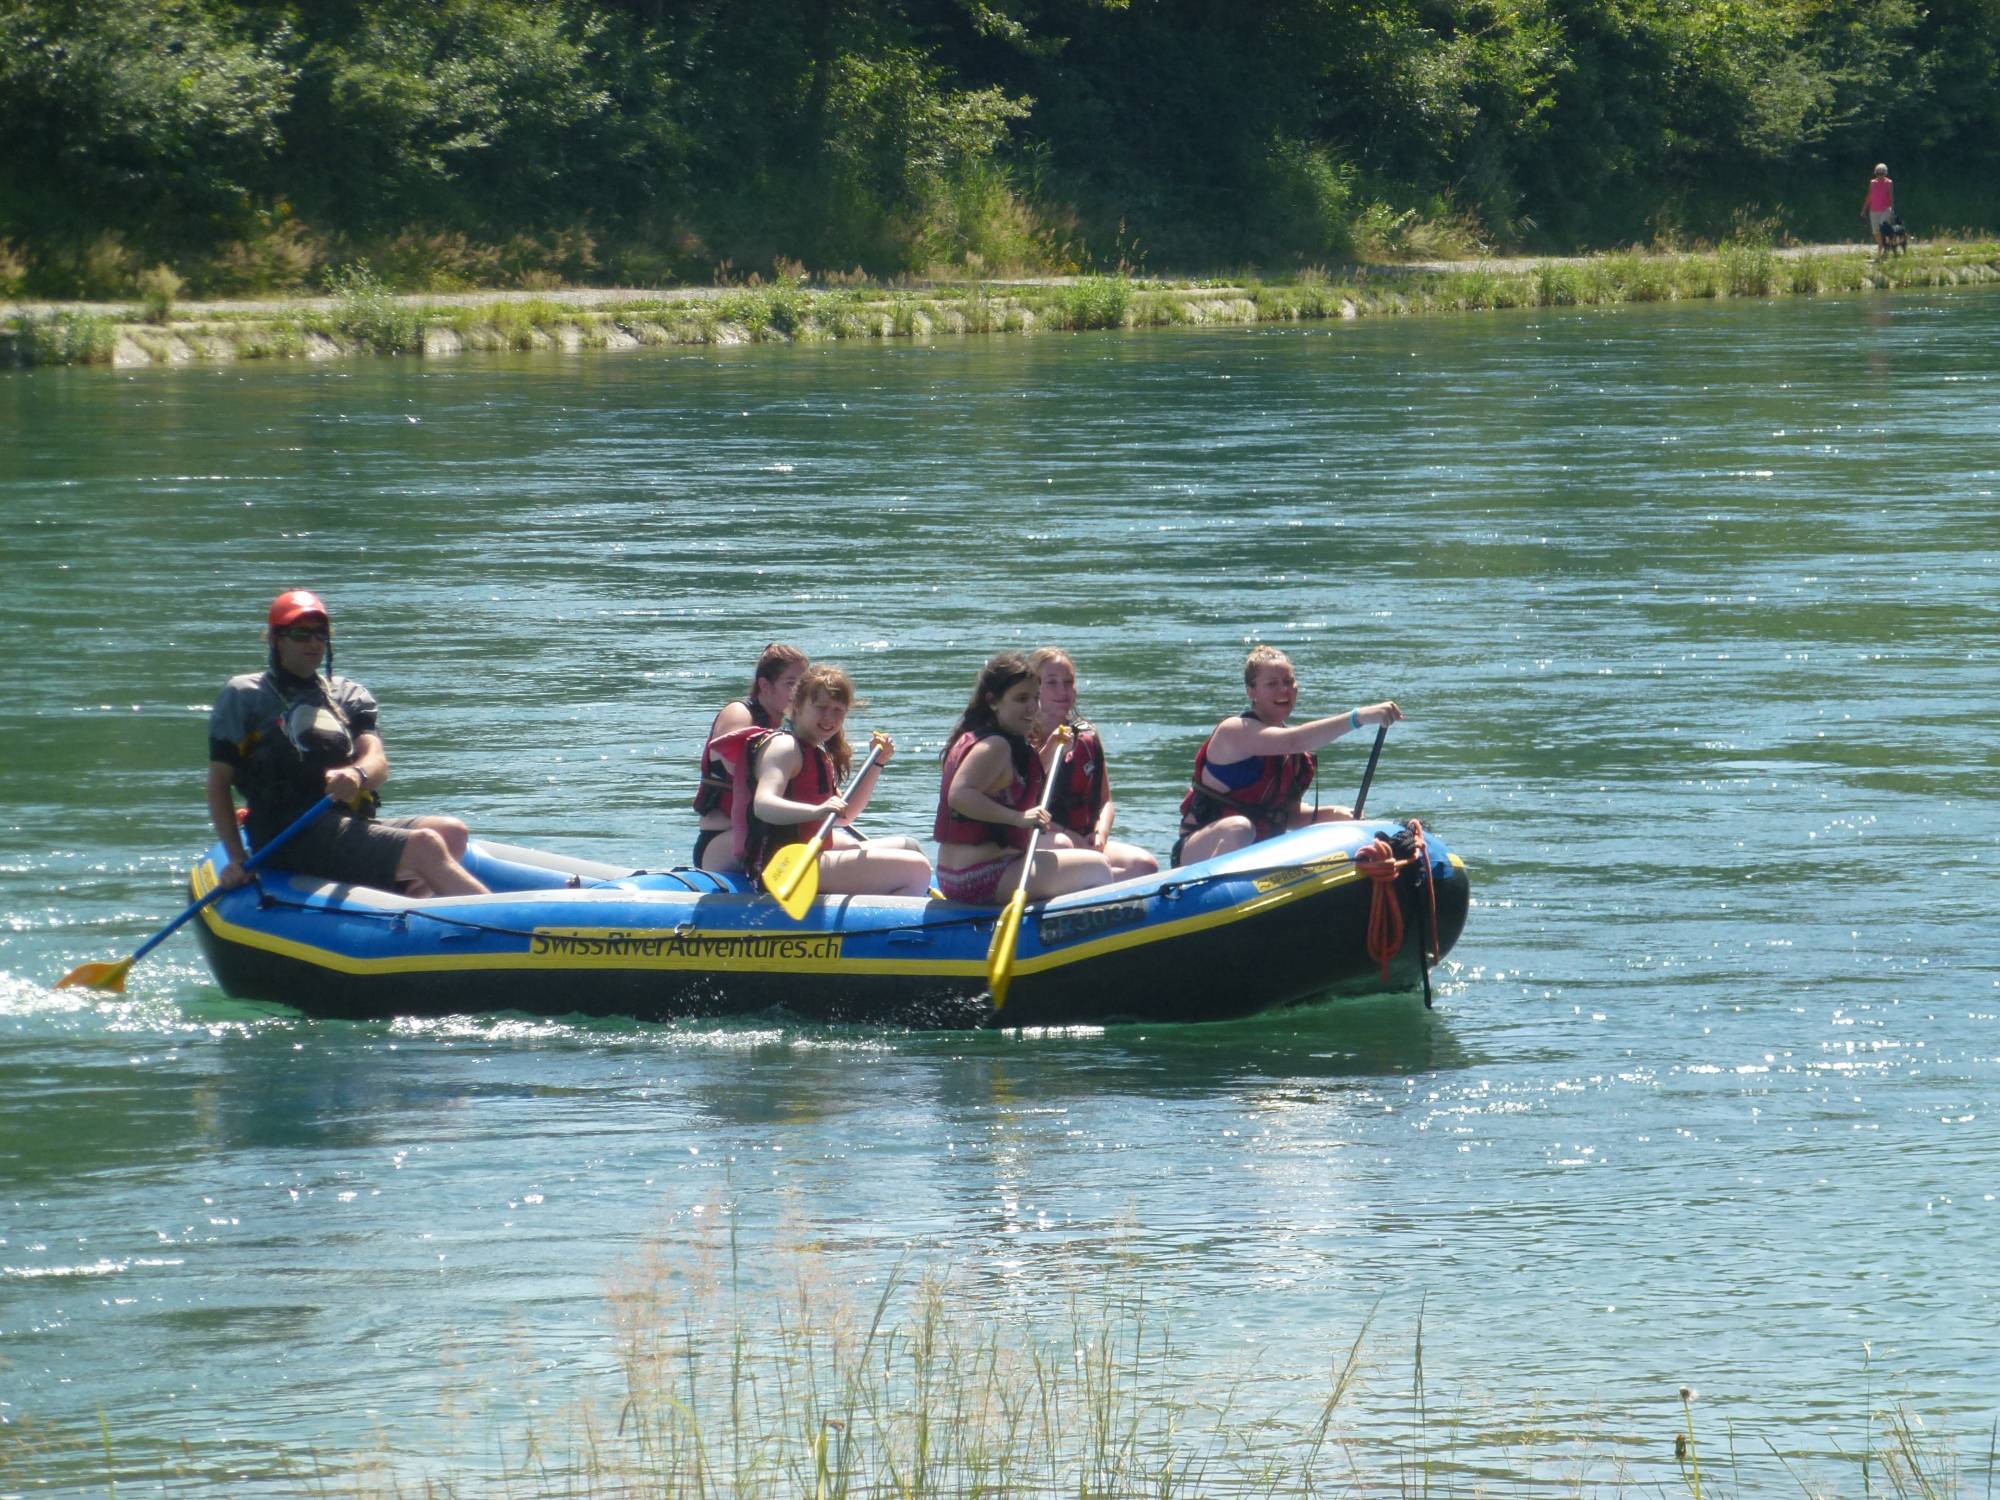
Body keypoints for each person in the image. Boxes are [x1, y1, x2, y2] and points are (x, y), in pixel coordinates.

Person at [206, 589, 488, 897]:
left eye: (320, 634)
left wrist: (357, 775)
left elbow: (377, 762)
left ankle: (413, 911)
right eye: (300, 634)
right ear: (276, 639)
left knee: (452, 833)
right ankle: (502, 926)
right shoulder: (244, 696)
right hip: (287, 835)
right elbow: (219, 783)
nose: (313, 643)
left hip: (344, 825)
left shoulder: (348, 695)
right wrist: (237, 858)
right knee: (424, 845)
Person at [1173, 645, 1403, 867]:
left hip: (1257, 854)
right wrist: (1358, 717)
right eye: (1272, 684)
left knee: (1339, 818)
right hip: (1198, 852)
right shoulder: (1234, 731)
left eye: (1288, 682)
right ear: (1251, 692)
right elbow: (1295, 739)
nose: (1284, 690)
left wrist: (1331, 814)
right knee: (1239, 828)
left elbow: (1288, 816)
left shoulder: (1294, 756)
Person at [934, 652, 1114, 905]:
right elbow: (960, 795)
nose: (1032, 707)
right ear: (993, 702)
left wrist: (1049, 750)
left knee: (1080, 864)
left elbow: (1014, 784)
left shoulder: (988, 738)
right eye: (1021, 699)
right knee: (1098, 868)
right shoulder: (995, 746)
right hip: (981, 876)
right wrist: (1018, 818)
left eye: (1035, 698)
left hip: (960, 875)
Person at [740, 664, 933, 896]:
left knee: (909, 845)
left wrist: (877, 763)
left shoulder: (815, 751)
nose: (829, 718)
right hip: (783, 866)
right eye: (821, 708)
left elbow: (846, 815)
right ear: (797, 705)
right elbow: (763, 805)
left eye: (838, 710)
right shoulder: (785, 747)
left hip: (813, 858)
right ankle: (895, 929)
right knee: (917, 869)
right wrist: (816, 811)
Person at [1027, 647, 1158, 881]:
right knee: (1066, 845)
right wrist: (1069, 836)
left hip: (1084, 839)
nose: (1063, 690)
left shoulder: (1087, 737)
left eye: (1068, 682)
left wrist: (1100, 833)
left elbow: (1105, 801)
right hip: (1044, 841)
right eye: (1052, 682)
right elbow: (1021, 807)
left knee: (1144, 865)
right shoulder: (1021, 740)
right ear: (1034, 689)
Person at [693, 643, 808, 870]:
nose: (800, 694)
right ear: (765, 685)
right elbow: (742, 772)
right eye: (791, 684)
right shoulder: (739, 714)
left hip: (771, 834)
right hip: (724, 841)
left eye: (804, 685)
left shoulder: (788, 727)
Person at [1862, 164, 1895, 252]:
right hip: (1874, 210)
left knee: (1883, 229)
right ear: (1875, 173)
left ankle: (1881, 251)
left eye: (1882, 173)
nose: (1880, 175)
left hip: (1885, 209)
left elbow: (1891, 196)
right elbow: (1869, 196)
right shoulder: (1872, 183)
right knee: (1875, 232)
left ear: (1885, 173)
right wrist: (1864, 209)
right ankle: (1884, 246)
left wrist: (1892, 210)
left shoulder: (1889, 182)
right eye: (1878, 173)